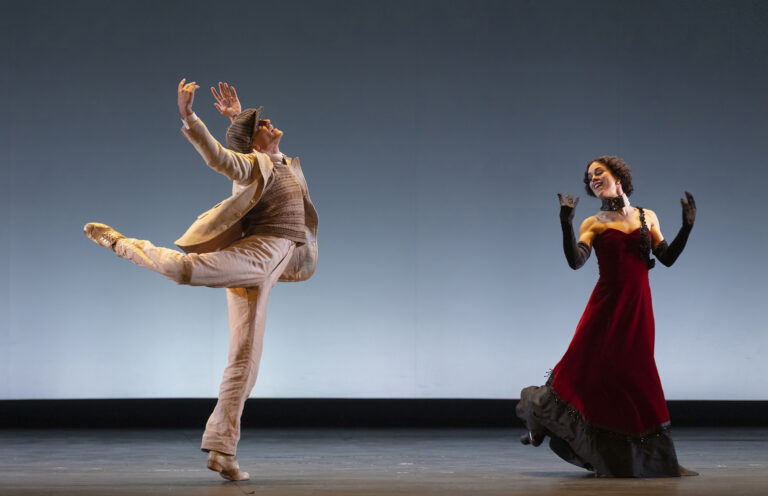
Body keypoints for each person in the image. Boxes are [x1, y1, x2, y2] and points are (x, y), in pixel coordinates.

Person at [84, 79, 318, 481]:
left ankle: (223, 450)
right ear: (256, 143)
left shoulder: (286, 165)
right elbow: (222, 158)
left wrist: (237, 118)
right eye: (262, 124)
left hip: (275, 265)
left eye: (263, 121)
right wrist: (191, 118)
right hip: (257, 254)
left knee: (246, 362)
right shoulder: (253, 165)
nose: (270, 123)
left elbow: (246, 145)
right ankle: (122, 243)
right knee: (184, 270)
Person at [516, 156, 697, 477]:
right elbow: (576, 261)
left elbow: (666, 258)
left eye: (599, 172)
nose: (593, 179)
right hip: (606, 306)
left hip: (638, 307)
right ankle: (542, 420)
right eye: (589, 177)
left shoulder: (647, 216)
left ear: (619, 176)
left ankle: (655, 459)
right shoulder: (593, 222)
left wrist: (686, 227)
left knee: (637, 375)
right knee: (583, 367)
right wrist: (566, 224)